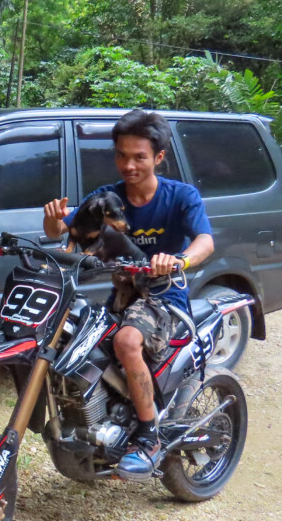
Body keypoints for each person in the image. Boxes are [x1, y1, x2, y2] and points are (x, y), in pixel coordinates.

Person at [43, 109, 214, 480]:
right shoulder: (106, 198)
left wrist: (180, 260)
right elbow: (64, 228)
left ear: (158, 157)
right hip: (122, 297)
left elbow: (205, 241)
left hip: (164, 298)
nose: (129, 165)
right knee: (74, 342)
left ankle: (149, 436)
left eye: (139, 156)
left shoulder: (181, 196)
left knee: (126, 341)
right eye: (122, 155)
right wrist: (54, 219)